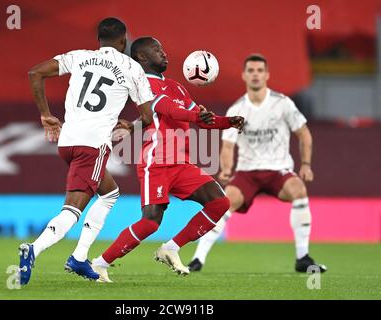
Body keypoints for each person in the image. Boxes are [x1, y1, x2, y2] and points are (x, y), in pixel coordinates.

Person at [20, 18, 216, 285]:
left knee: (110, 193)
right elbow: (148, 115)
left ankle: (79, 258)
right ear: (124, 41)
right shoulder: (131, 67)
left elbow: (35, 73)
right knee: (73, 208)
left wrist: (45, 115)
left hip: (67, 141)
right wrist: (130, 124)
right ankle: (34, 248)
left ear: (98, 39)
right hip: (93, 145)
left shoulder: (80, 57)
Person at [89, 37, 245, 283]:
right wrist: (196, 116)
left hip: (182, 164)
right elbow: (169, 110)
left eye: (163, 48)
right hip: (157, 162)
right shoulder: (143, 84)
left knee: (219, 203)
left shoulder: (177, 86)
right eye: (156, 49)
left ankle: (171, 248)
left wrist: (228, 122)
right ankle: (99, 264)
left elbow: (202, 118)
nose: (164, 53)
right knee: (151, 223)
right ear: (142, 57)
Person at [188, 54, 327, 273]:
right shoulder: (237, 109)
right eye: (251, 71)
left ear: (267, 75)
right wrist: (226, 169)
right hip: (247, 172)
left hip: (278, 170)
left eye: (259, 70)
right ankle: (197, 260)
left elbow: (304, 134)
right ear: (244, 75)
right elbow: (228, 145)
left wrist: (306, 164)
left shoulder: (282, 104)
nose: (255, 75)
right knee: (224, 202)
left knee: (299, 190)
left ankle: (303, 257)